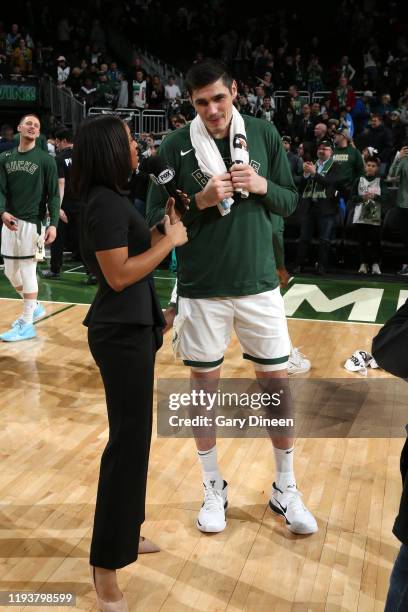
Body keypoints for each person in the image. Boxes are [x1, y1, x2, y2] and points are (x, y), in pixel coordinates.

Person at [146, 60, 318, 536]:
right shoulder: (176, 146)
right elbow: (155, 224)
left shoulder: (263, 133)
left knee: (276, 387)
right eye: (201, 102)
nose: (212, 110)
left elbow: (290, 201)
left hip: (259, 283)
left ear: (234, 92)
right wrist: (198, 203)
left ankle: (285, 487)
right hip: (202, 289)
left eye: (219, 98)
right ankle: (212, 486)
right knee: (204, 394)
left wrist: (262, 186)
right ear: (192, 104)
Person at [71, 114, 187, 610]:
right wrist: (167, 243)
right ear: (109, 152)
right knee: (124, 447)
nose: (138, 149)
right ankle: (105, 568)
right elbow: (118, 276)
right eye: (129, 143)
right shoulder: (102, 203)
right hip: (119, 334)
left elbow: (132, 263)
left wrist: (162, 227)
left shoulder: (114, 200)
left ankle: (128, 531)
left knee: (137, 440)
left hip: (133, 328)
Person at [0, 114, 59, 342]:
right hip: (9, 222)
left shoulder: (46, 160)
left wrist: (53, 224)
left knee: (27, 269)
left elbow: (54, 195)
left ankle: (27, 324)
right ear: (19, 128)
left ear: (39, 132)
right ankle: (33, 305)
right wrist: (2, 212)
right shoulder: (4, 157)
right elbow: (1, 190)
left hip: (33, 224)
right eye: (29, 123)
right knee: (9, 272)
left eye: (37, 125)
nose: (33, 127)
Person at [294, 140, 341, 274]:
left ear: (331, 152)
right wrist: (305, 174)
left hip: (326, 207)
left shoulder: (335, 166)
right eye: (319, 148)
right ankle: (299, 264)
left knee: (324, 239)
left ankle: (322, 266)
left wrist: (314, 174)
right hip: (310, 206)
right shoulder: (312, 164)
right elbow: (302, 186)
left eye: (325, 149)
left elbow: (329, 183)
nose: (321, 150)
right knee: (304, 237)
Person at [41, 128, 79, 279]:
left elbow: (61, 184)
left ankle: (55, 270)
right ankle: (93, 273)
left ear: (64, 141)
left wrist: (58, 207)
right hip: (84, 203)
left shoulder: (59, 158)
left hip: (66, 204)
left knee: (57, 238)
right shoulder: (84, 156)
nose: (56, 144)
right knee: (85, 238)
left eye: (57, 141)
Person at [350, 155, 388, 275]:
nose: (370, 168)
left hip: (375, 217)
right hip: (360, 216)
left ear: (377, 168)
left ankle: (375, 264)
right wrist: (362, 197)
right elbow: (352, 197)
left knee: (375, 241)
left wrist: (376, 196)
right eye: (368, 165)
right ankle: (363, 263)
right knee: (362, 241)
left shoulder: (380, 181)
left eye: (373, 166)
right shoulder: (358, 180)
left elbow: (386, 197)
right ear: (365, 166)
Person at [388, 144, 408, 275]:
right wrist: (398, 158)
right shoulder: (404, 159)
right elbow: (392, 175)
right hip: (403, 204)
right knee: (406, 238)